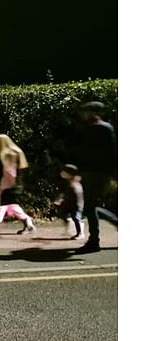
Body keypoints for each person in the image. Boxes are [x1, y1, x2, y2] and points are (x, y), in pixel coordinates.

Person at [70, 101, 117, 253]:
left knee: (90, 205)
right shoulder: (90, 129)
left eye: (86, 111)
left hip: (97, 172)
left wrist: (112, 175)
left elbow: (111, 153)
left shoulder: (102, 129)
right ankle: (94, 239)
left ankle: (94, 241)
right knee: (92, 205)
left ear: (93, 112)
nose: (83, 115)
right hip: (91, 172)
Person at [0, 134, 35, 237]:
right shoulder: (15, 152)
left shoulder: (6, 154)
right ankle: (27, 221)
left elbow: (9, 172)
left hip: (8, 185)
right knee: (12, 207)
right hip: (13, 185)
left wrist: (3, 186)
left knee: (0, 206)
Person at [53, 164, 85, 240]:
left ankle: (80, 233)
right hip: (69, 203)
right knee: (62, 213)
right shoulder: (69, 182)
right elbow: (66, 193)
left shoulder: (75, 182)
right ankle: (70, 224)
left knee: (76, 218)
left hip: (76, 204)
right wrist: (61, 200)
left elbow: (77, 194)